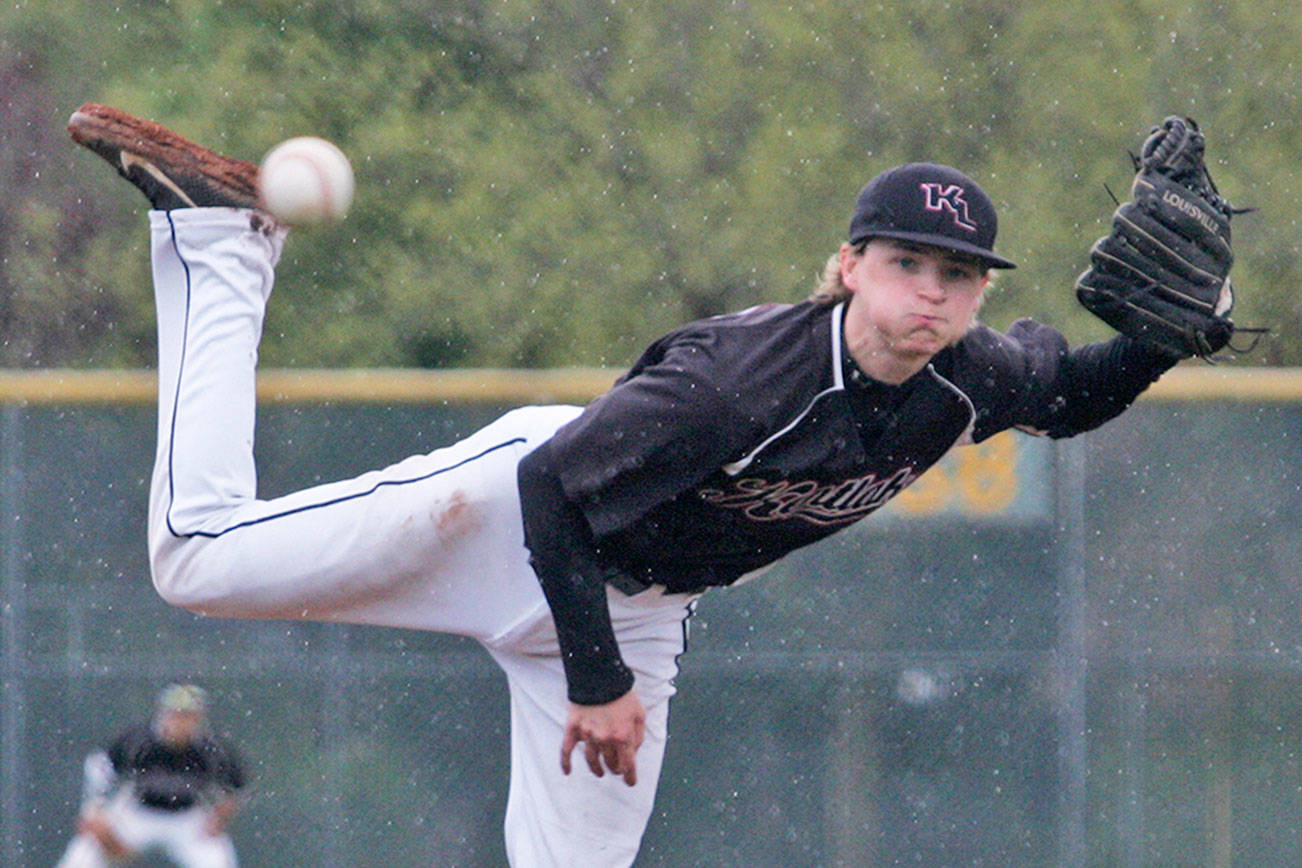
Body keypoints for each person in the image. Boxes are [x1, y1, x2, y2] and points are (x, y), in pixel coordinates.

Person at [68, 102, 1180, 866]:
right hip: (513, 519)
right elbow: (553, 489)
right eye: (905, 264)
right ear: (850, 266)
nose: (931, 292)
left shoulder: (972, 378)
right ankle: (220, 241)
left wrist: (1177, 335)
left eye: (959, 275)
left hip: (638, 608)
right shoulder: (737, 383)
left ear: (980, 293)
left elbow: (1074, 394)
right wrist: (597, 681)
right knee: (195, 561)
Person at [56, 683, 245, 868]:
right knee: (84, 853)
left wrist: (218, 819)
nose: (180, 722)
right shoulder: (140, 740)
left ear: (198, 719)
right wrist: (95, 814)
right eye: (175, 714)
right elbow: (99, 767)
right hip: (138, 811)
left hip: (187, 817)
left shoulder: (210, 747)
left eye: (188, 716)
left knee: (219, 862)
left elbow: (235, 787)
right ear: (163, 714)